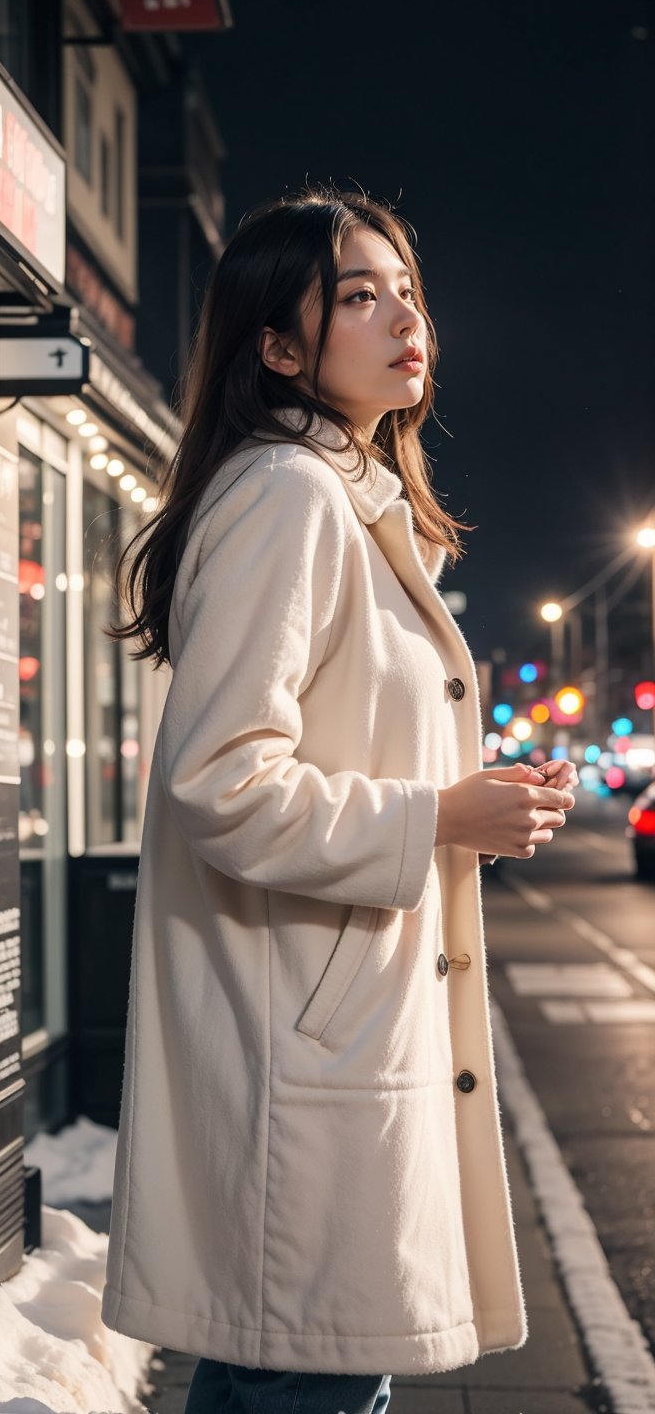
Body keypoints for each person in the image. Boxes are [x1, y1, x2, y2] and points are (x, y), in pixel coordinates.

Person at [100, 186, 578, 1414]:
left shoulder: (346, 498)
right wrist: (436, 818)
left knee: (289, 1376)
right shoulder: (288, 496)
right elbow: (221, 780)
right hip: (298, 1054)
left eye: (406, 289)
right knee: (300, 1378)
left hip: (325, 1031)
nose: (403, 317)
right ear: (279, 346)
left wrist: (480, 802)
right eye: (358, 296)